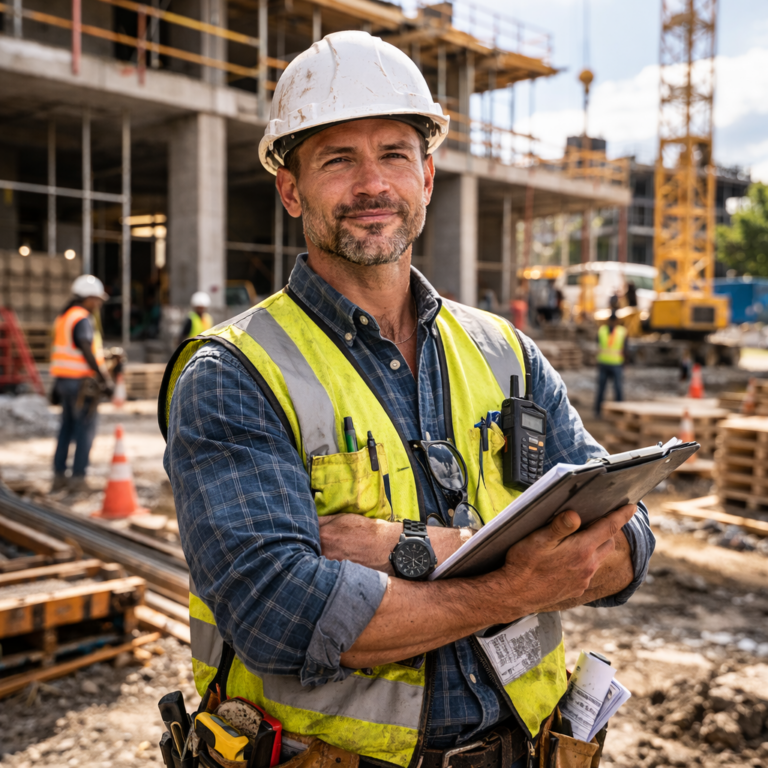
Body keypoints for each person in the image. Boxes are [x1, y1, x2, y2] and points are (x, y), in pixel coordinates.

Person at [161, 32, 653, 768]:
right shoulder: (235, 373)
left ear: (426, 176)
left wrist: (414, 550)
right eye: (337, 159)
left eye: (394, 154)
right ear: (291, 188)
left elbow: (630, 538)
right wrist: (519, 583)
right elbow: (281, 610)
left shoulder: (504, 351)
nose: (372, 185)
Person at [50, 275, 113, 492]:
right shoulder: (82, 318)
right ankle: (78, 478)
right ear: (87, 298)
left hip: (64, 381)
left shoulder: (64, 317)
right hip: (80, 383)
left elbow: (60, 351)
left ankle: (59, 475)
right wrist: (105, 378)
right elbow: (86, 349)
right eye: (96, 299)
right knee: (85, 429)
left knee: (67, 428)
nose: (98, 304)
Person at [594, 311, 627, 417]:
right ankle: (618, 412)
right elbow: (626, 349)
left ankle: (598, 411)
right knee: (617, 388)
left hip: (604, 363)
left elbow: (598, 344)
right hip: (615, 364)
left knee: (602, 388)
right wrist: (626, 363)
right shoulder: (622, 331)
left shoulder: (602, 330)